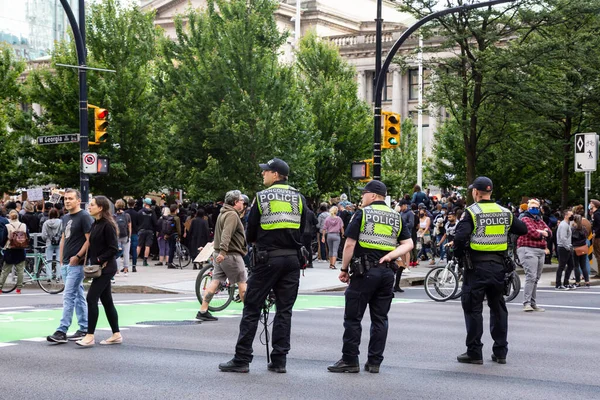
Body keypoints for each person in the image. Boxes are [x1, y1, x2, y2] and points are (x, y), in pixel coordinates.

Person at [219, 157, 307, 374]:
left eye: (266, 171)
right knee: (284, 310)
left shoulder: (262, 197)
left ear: (276, 174)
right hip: (292, 259)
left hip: (268, 259)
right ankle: (279, 360)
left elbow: (250, 231)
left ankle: (242, 359)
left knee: (251, 306)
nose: (263, 174)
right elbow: (305, 228)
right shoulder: (299, 198)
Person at [328, 180, 413, 373]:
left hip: (364, 273)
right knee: (380, 318)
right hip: (386, 273)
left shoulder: (363, 213)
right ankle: (374, 362)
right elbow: (408, 244)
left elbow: (349, 244)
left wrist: (343, 269)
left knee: (353, 318)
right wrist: (391, 255)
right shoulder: (396, 216)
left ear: (373, 196)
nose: (361, 197)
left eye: (364, 193)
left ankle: (350, 360)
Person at [453, 177, 527, 365]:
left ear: (476, 193)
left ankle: (474, 352)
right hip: (499, 268)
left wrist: (458, 256)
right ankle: (500, 351)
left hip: (476, 268)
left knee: (473, 309)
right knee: (498, 308)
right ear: (490, 192)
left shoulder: (472, 212)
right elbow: (523, 229)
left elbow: (460, 237)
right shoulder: (505, 212)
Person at [47, 189, 92, 343]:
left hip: (77, 264)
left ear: (78, 200)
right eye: (65, 199)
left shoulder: (84, 217)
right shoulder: (65, 217)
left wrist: (78, 256)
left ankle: (62, 330)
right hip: (66, 263)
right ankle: (84, 328)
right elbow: (64, 239)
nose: (67, 201)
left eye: (70, 199)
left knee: (68, 296)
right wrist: (61, 259)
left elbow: (89, 239)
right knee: (78, 296)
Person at [75, 196, 121, 347]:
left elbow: (114, 248)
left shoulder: (107, 225)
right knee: (107, 301)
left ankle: (89, 336)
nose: (89, 207)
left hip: (106, 268)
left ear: (100, 208)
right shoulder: (96, 224)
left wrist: (99, 260)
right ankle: (116, 334)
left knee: (91, 298)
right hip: (101, 267)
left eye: (92, 205)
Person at [196, 190, 248, 322]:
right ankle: (250, 312)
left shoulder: (223, 213)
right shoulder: (232, 215)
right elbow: (226, 234)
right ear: (236, 202)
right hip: (230, 255)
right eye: (241, 200)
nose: (243, 202)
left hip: (219, 253)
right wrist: (224, 252)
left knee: (216, 280)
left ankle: (203, 310)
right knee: (242, 282)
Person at [517, 199, 552, 312]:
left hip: (540, 250)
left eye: (537, 207)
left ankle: (533, 302)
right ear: (528, 208)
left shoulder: (539, 220)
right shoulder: (525, 219)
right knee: (531, 276)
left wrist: (542, 232)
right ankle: (526, 303)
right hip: (528, 249)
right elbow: (531, 232)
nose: (535, 209)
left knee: (536, 278)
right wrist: (542, 233)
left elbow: (550, 232)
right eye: (533, 207)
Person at [0, 210, 29, 294]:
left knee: (5, 270)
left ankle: (0, 287)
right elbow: (28, 236)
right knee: (20, 270)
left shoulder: (7, 226)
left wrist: (3, 245)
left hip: (10, 250)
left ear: (9, 217)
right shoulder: (23, 225)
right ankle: (19, 289)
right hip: (21, 249)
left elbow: (3, 238)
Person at [555, 208, 576, 290]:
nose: (572, 216)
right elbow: (563, 238)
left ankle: (566, 282)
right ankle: (558, 284)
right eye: (571, 215)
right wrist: (567, 247)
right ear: (566, 216)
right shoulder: (564, 225)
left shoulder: (567, 224)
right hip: (563, 247)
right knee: (561, 266)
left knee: (571, 265)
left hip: (567, 247)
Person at [40, 208, 62, 279]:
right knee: (59, 259)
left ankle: (48, 276)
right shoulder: (61, 222)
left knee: (48, 260)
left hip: (49, 242)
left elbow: (43, 235)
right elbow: (63, 232)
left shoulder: (46, 223)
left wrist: (47, 239)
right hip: (59, 242)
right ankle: (58, 276)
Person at [137, 198, 158, 267]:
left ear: (145, 203)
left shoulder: (140, 212)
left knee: (139, 245)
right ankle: (145, 261)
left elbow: (137, 221)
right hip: (150, 230)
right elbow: (155, 222)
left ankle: (135, 259)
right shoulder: (152, 212)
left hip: (141, 230)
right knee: (147, 246)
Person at [571, 214, 590, 288]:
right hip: (583, 248)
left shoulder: (573, 229)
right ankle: (587, 281)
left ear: (574, 220)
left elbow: (571, 239)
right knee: (583, 266)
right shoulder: (584, 229)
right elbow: (586, 236)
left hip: (576, 248)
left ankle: (578, 281)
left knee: (576, 266)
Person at [114, 199, 132, 275]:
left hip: (117, 236)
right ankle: (125, 269)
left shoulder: (114, 216)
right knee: (126, 253)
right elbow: (129, 227)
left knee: (117, 253)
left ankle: (117, 270)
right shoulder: (127, 215)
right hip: (125, 236)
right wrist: (129, 236)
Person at [124, 199, 140, 272]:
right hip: (134, 232)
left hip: (126, 233)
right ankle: (134, 266)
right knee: (134, 250)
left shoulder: (125, 213)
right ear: (134, 204)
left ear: (127, 204)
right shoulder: (137, 214)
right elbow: (138, 223)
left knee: (125, 251)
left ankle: (125, 266)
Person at [166, 204, 182, 269]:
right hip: (174, 234)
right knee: (172, 249)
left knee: (170, 248)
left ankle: (170, 261)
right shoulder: (176, 218)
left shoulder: (167, 217)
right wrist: (179, 235)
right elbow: (178, 228)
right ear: (176, 210)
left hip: (168, 234)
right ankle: (170, 262)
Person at [589, 199, 600, 277]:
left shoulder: (597, 214)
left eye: (591, 203)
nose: (590, 204)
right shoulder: (595, 214)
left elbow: (599, 225)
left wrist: (595, 233)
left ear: (594, 205)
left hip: (597, 237)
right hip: (597, 236)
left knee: (598, 254)